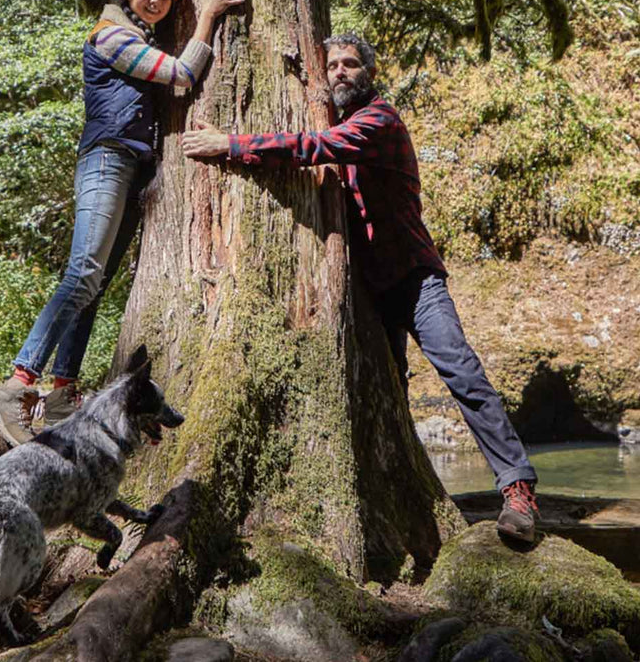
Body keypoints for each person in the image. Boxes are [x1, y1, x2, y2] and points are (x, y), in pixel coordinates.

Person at [176, 32, 540, 543]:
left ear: (368, 73)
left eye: (351, 64)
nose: (341, 71)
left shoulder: (379, 122)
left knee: (463, 375)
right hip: (368, 290)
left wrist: (231, 145)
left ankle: (518, 492)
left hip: (415, 279)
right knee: (388, 388)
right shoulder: (344, 122)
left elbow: (313, 147)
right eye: (333, 66)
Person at [0, 0, 246, 447]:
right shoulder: (111, 36)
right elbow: (183, 75)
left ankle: (62, 393)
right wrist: (207, 14)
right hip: (106, 160)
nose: (158, 0)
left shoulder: (138, 35)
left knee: (96, 284)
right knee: (83, 272)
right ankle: (16, 386)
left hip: (132, 167)